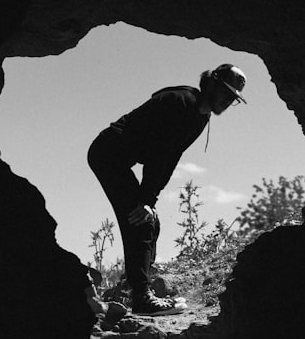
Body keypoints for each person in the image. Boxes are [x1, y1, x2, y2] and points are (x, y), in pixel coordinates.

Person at [87, 64, 247, 315]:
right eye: (226, 93)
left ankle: (138, 290)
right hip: (107, 154)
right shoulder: (180, 102)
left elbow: (169, 159)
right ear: (212, 84)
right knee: (141, 222)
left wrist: (148, 200)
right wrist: (146, 199)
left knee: (152, 222)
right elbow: (160, 156)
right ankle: (142, 298)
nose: (228, 101)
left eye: (233, 99)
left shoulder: (200, 116)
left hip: (120, 159)